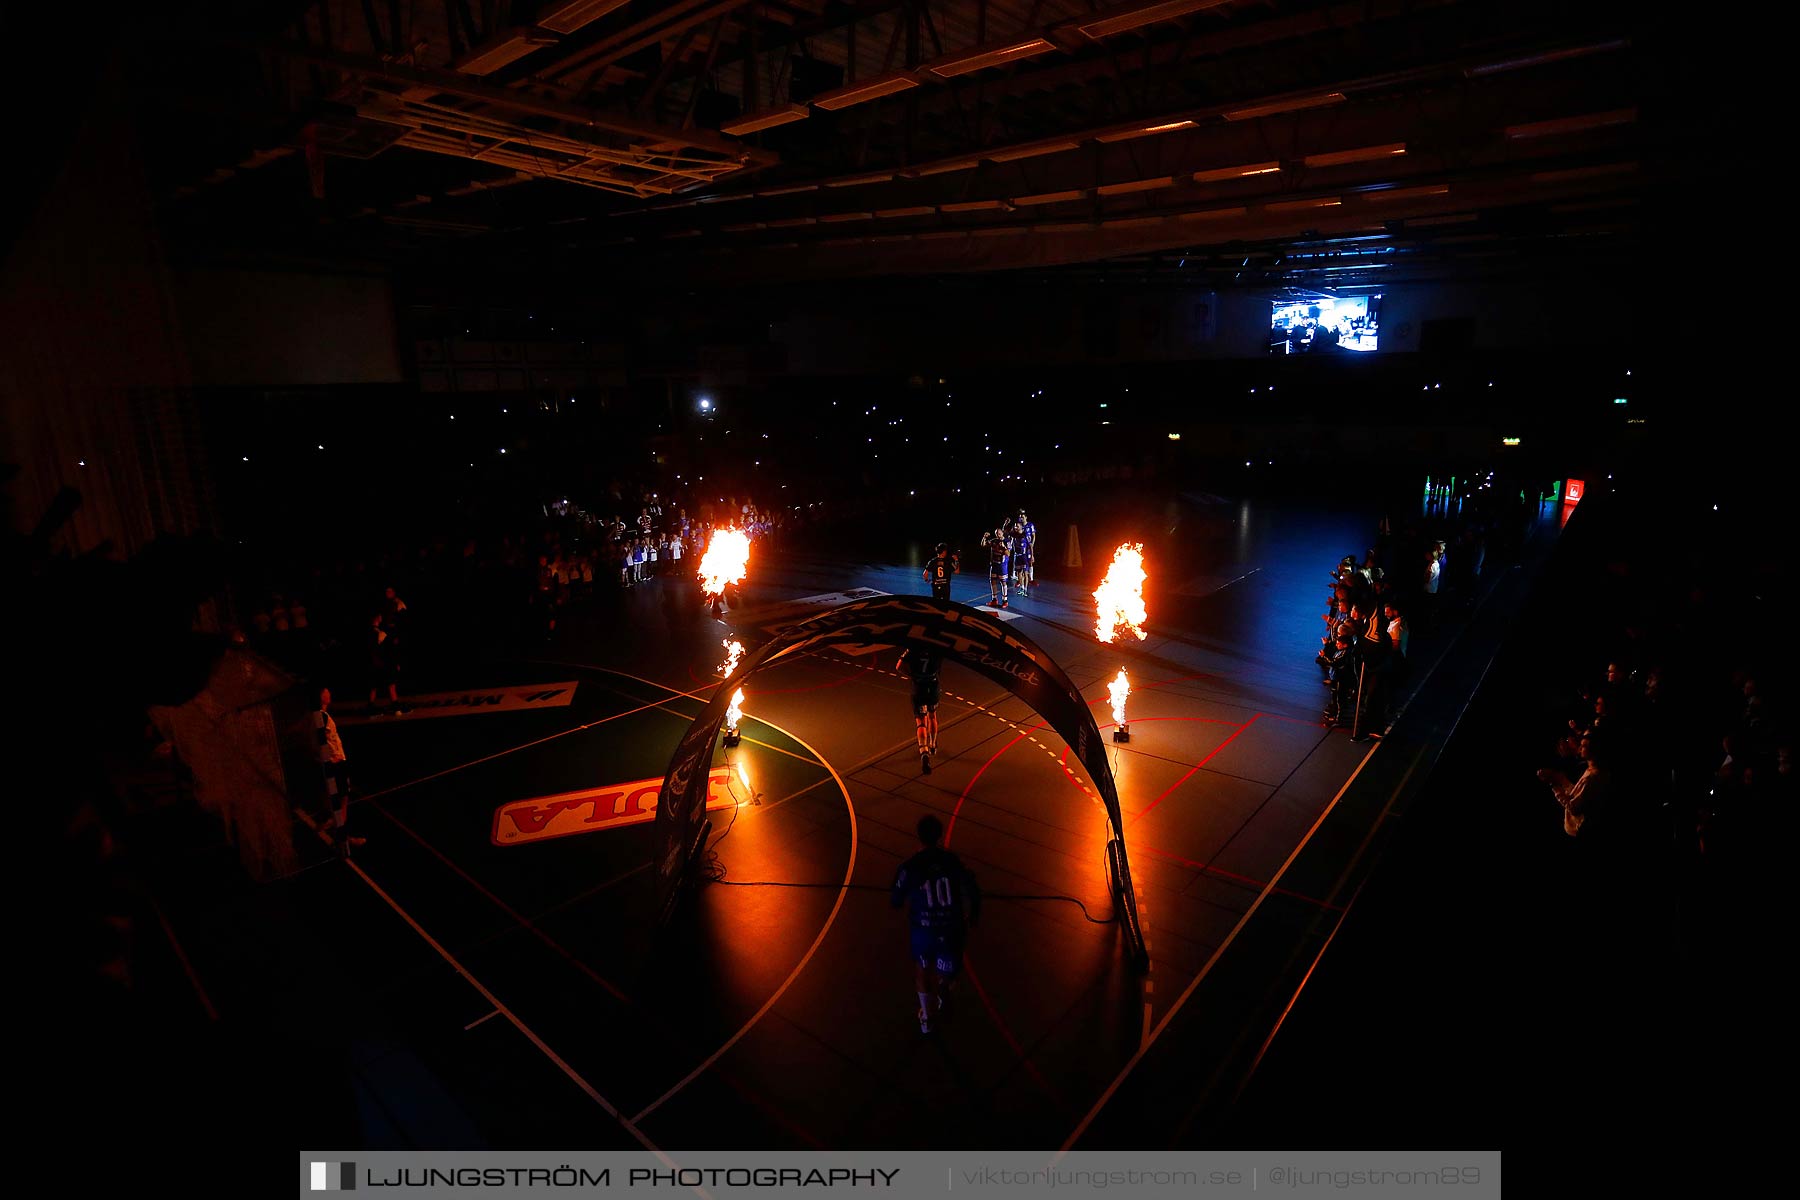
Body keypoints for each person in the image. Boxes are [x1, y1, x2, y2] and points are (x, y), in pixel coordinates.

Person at [890, 814, 980, 1034]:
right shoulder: (952, 861)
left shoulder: (910, 867)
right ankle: (944, 990)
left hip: (924, 930)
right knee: (948, 972)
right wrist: (974, 913)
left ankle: (926, 1017)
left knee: (921, 969)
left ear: (918, 837)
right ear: (939, 836)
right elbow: (971, 886)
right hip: (950, 927)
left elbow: (896, 900)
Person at [312, 688, 364, 855]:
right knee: (342, 801)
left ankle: (340, 833)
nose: (329, 693)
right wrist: (329, 759)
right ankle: (339, 833)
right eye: (326, 691)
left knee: (342, 800)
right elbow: (321, 740)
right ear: (320, 696)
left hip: (338, 761)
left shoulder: (324, 715)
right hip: (337, 762)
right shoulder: (321, 716)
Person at [899, 646, 944, 773]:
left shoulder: (912, 649)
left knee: (921, 722)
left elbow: (899, 666)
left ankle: (923, 751)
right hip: (933, 685)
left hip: (919, 687)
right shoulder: (937, 649)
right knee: (932, 715)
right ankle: (933, 745)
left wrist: (913, 675)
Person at [981, 524, 1011, 609]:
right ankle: (994, 599)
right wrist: (984, 537)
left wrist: (1004, 547)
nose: (998, 535)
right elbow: (983, 545)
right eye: (996, 533)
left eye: (999, 533)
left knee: (1003, 582)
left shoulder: (1007, 541)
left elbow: (1008, 554)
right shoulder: (994, 541)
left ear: (1002, 533)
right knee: (992, 581)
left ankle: (1005, 600)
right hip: (994, 564)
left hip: (1002, 565)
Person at [1012, 510, 1037, 593]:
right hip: (1019, 552)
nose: (1021, 518)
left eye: (1022, 517)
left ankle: (1031, 579)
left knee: (1029, 563)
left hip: (1027, 548)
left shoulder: (1030, 525)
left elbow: (1033, 535)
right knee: (1019, 570)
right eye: (1020, 517)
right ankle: (1021, 584)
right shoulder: (1017, 528)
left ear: (1026, 517)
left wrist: (1032, 545)